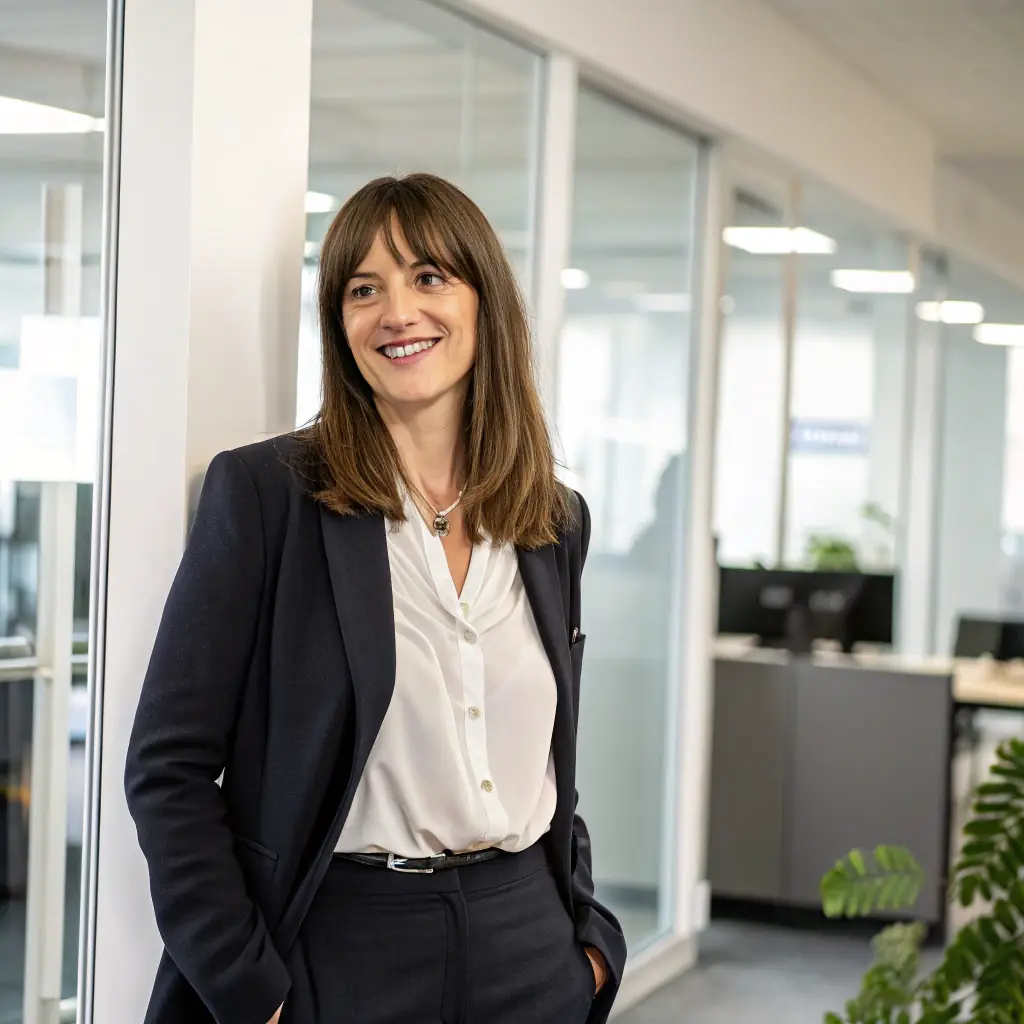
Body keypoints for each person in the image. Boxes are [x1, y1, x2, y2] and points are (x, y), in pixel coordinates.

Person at [125, 172, 626, 1024]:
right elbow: (167, 768)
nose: (397, 311)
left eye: (428, 277)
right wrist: (249, 988)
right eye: (363, 289)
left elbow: (551, 756)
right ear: (338, 322)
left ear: (485, 303)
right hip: (344, 949)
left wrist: (587, 945)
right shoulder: (269, 497)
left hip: (528, 945)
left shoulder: (552, 519)